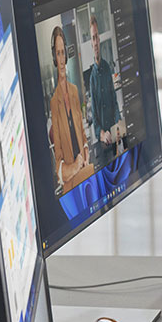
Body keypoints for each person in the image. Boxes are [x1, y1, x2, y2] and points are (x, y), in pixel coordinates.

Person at [46, 25, 91, 193]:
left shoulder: (74, 91)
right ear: (54, 58)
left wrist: (85, 153)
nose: (62, 58)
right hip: (72, 185)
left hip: (86, 175)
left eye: (63, 52)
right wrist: (75, 166)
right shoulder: (54, 102)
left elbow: (83, 135)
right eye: (58, 54)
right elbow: (59, 167)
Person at [83, 11, 123, 166]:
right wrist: (101, 134)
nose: (95, 42)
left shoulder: (107, 68)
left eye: (97, 37)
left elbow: (114, 102)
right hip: (103, 143)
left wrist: (118, 125)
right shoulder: (91, 79)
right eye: (93, 38)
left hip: (115, 137)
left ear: (99, 39)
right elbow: (94, 117)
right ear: (91, 43)